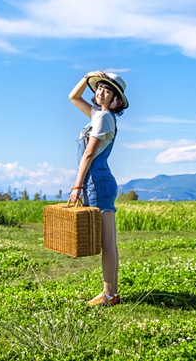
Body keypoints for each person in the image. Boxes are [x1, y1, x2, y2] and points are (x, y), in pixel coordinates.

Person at [69, 70, 129, 307]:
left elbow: (89, 153)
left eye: (108, 90)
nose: (101, 92)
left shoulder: (104, 119)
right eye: (99, 88)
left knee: (107, 242)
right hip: (100, 181)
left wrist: (77, 185)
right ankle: (110, 294)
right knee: (109, 242)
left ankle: (107, 295)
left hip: (97, 182)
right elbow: (73, 97)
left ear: (116, 99)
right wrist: (86, 78)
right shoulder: (98, 115)